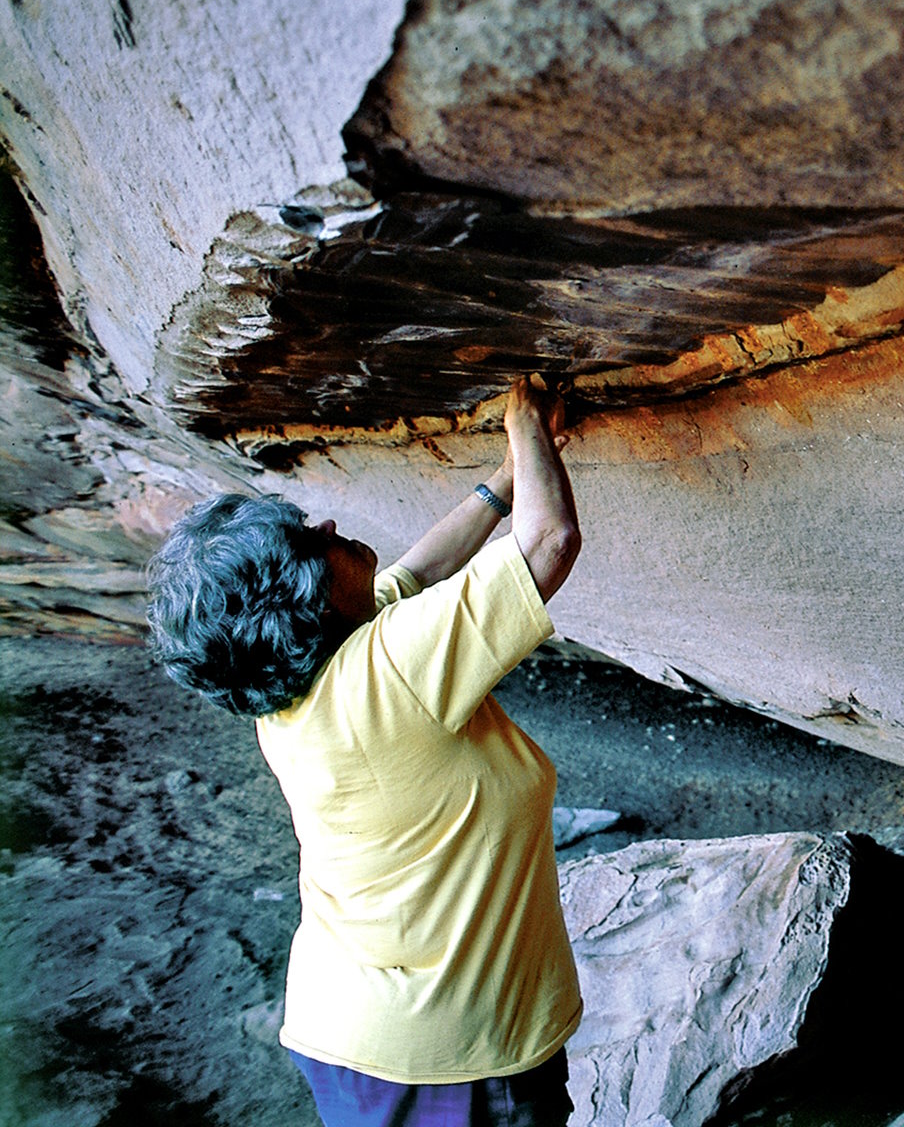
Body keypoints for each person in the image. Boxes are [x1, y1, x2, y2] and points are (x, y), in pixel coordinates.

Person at [146, 377, 583, 1127]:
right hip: (445, 1058)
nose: (331, 523)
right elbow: (549, 542)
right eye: (314, 540)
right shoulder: (386, 674)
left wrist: (509, 476)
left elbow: (421, 571)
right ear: (306, 599)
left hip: (347, 1024)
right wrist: (524, 424)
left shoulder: (293, 686)